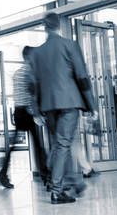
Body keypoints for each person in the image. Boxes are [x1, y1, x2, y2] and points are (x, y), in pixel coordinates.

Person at [30, 12, 95, 204]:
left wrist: (36, 111)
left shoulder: (37, 53)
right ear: (59, 25)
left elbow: (33, 85)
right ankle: (58, 190)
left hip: (49, 106)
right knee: (64, 144)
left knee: (60, 145)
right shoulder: (69, 45)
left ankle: (68, 183)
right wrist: (91, 105)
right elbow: (82, 76)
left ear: (45, 27)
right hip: (69, 102)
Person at [0, 46, 48, 190]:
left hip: (19, 111)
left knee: (15, 146)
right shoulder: (29, 72)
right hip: (27, 112)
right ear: (29, 57)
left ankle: (3, 174)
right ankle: (46, 175)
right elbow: (31, 97)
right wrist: (37, 114)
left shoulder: (18, 73)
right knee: (38, 145)